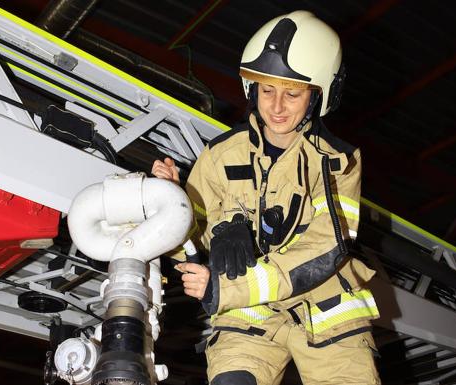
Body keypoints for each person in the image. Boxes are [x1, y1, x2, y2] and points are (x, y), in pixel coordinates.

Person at [152, 10, 380, 385]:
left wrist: (228, 287)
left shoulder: (339, 161)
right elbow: (188, 246)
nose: (276, 107)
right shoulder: (219, 154)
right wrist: (170, 202)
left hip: (329, 317)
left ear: (319, 95)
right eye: (267, 89)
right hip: (247, 317)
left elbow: (326, 246)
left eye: (292, 93)